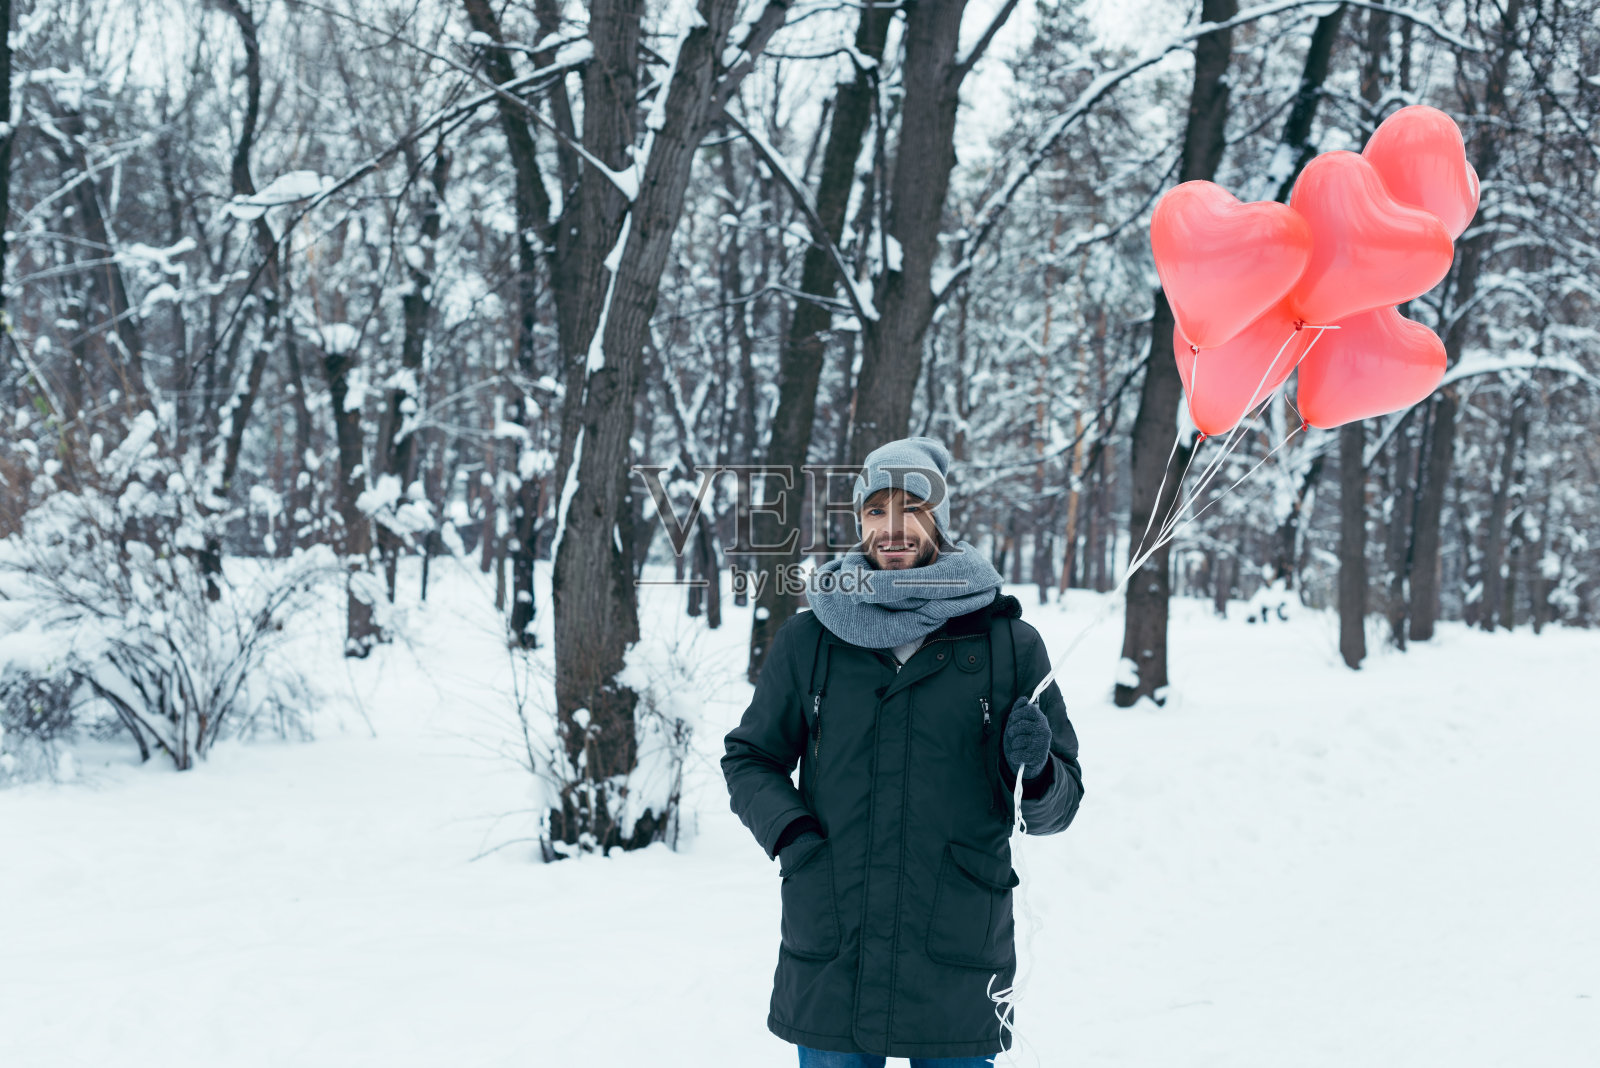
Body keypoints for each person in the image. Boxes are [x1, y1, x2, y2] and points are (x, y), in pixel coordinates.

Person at [722, 436, 1085, 1066]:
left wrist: (1038, 769)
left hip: (956, 947)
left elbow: (1057, 808)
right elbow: (750, 757)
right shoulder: (812, 636)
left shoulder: (1009, 646)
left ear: (938, 519)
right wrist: (795, 838)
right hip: (834, 941)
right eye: (875, 509)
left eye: (911, 507)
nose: (892, 528)